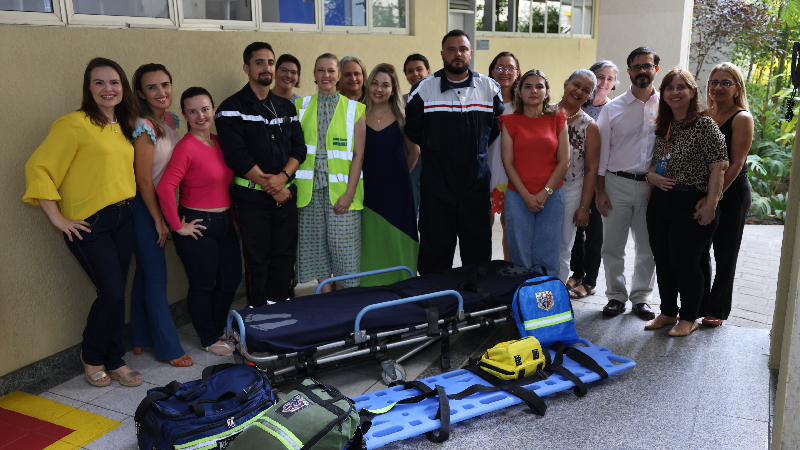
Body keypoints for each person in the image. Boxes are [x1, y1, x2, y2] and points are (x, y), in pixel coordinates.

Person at [23, 57, 142, 387]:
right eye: (99, 83)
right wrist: (57, 218)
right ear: (88, 89)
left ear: (123, 87)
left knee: (117, 293)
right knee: (112, 293)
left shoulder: (123, 124)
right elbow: (38, 167)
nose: (108, 88)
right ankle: (92, 357)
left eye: (114, 82)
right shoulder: (74, 124)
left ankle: (115, 359)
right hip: (89, 224)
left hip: (123, 217)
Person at [405, 29, 505, 274]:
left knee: (478, 249)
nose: (457, 54)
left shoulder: (489, 87)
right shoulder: (423, 90)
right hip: (437, 185)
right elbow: (414, 130)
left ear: (470, 53)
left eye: (462, 49)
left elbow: (494, 128)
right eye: (451, 49)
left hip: (475, 183)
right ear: (442, 54)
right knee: (435, 249)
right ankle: (435, 303)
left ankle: (477, 303)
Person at [216, 42, 306, 306]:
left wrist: (284, 178)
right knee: (258, 260)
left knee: (285, 256)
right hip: (251, 199)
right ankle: (258, 315)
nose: (266, 68)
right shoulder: (230, 107)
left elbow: (299, 147)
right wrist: (273, 186)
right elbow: (237, 156)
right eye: (259, 62)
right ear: (246, 67)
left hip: (286, 195)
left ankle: (282, 309)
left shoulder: (287, 107)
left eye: (270, 62)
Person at [644, 68, 728, 336]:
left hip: (691, 202)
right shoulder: (665, 125)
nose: (675, 92)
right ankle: (668, 312)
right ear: (664, 94)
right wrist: (650, 177)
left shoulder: (704, 124)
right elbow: (656, 165)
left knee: (685, 261)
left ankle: (689, 316)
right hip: (660, 201)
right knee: (663, 259)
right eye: (670, 88)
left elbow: (720, 167)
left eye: (682, 87)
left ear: (692, 92)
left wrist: (711, 205)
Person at [158, 87, 242, 355]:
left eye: (205, 109)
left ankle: (219, 330)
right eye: (192, 111)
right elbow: (165, 188)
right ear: (184, 115)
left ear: (213, 110)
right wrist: (177, 226)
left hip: (226, 223)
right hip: (198, 225)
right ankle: (208, 338)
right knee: (203, 285)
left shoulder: (219, 142)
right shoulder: (186, 147)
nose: (200, 116)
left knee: (230, 281)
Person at [129, 63, 193, 367]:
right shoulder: (143, 126)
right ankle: (169, 349)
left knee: (145, 273)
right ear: (140, 92)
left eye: (165, 84)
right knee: (156, 278)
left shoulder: (168, 119)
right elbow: (142, 180)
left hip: (162, 203)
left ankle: (140, 338)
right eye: (152, 87)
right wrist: (158, 218)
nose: (161, 92)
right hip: (144, 206)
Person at [595, 47, 660, 320]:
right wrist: (599, 190)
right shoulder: (612, 109)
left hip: (651, 188)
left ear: (656, 69)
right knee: (612, 246)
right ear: (629, 71)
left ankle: (641, 298)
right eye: (636, 66)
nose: (642, 70)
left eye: (647, 65)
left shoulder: (666, 106)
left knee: (647, 247)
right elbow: (601, 152)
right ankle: (615, 297)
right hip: (616, 184)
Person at [295, 53, 367, 292]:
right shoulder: (300, 106)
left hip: (343, 194)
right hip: (309, 193)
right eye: (320, 70)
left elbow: (359, 155)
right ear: (314, 75)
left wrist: (349, 193)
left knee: (345, 252)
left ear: (338, 75)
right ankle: (326, 299)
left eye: (331, 71)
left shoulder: (354, 109)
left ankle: (346, 305)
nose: (326, 75)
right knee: (317, 251)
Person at [697, 62, 754, 327]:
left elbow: (736, 164)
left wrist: (714, 198)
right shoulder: (705, 114)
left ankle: (717, 308)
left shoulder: (741, 117)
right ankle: (698, 302)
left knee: (725, 251)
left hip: (731, 193)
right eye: (714, 82)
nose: (718, 87)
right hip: (706, 191)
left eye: (725, 83)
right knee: (698, 249)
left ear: (737, 88)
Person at [500, 70, 569, 276]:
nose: (534, 90)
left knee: (548, 253)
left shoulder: (558, 118)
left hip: (552, 195)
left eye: (539, 86)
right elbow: (508, 163)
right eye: (528, 86)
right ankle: (523, 302)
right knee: (520, 255)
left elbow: (564, 161)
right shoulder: (509, 121)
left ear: (547, 92)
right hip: (518, 196)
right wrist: (526, 196)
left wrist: (544, 193)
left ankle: (547, 303)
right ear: (519, 92)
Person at [360, 63, 420, 286]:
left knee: (396, 238)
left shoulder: (402, 117)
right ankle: (369, 283)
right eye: (374, 83)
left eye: (385, 85)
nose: (379, 89)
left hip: (398, 191)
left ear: (393, 89)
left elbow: (414, 153)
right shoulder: (357, 113)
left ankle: (401, 281)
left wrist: (399, 177)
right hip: (367, 190)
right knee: (370, 238)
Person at [568, 60, 619, 299]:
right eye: (600, 77)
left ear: (615, 83)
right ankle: (577, 272)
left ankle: (590, 280)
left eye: (610, 78)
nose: (604, 82)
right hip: (575, 176)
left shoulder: (614, 109)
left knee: (593, 230)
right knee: (576, 226)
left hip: (599, 176)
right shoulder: (578, 103)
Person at [554, 69, 600, 284]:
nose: (579, 91)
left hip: (571, 190)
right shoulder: (544, 113)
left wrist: (584, 207)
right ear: (566, 83)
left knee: (563, 247)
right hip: (539, 187)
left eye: (586, 90)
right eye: (576, 85)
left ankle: (555, 297)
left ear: (589, 96)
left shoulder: (589, 126)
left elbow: (591, 169)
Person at [487, 51, 520, 261]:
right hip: (485, 170)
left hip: (513, 173)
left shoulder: (523, 105)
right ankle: (481, 273)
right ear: (491, 71)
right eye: (500, 67)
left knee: (510, 227)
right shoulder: (482, 99)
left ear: (518, 73)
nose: (505, 72)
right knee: (483, 226)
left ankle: (508, 272)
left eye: (510, 68)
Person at [402, 54, 431, 215]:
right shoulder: (399, 103)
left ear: (428, 71)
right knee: (410, 216)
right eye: (410, 71)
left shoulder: (439, 101)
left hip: (433, 169)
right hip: (411, 167)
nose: (415, 74)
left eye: (419, 69)